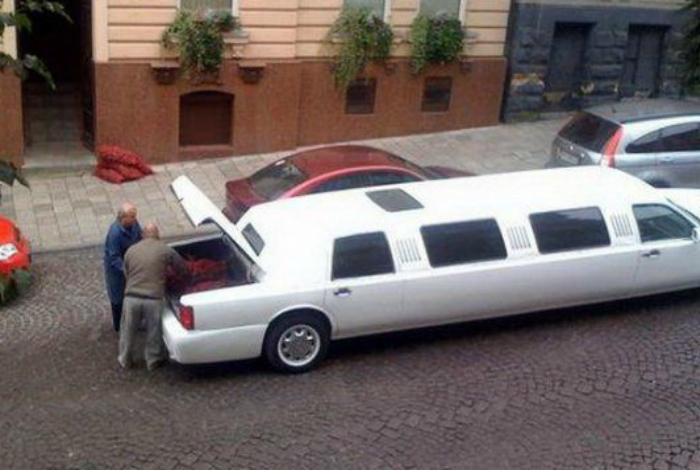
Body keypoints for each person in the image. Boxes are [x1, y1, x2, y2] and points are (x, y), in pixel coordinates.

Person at [118, 223, 188, 371]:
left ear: (143, 235)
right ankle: (152, 359)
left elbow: (126, 272)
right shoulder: (165, 249)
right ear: (158, 235)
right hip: (153, 298)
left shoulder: (131, 250)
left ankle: (125, 358)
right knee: (153, 330)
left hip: (132, 297)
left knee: (128, 330)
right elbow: (182, 268)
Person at [104, 203, 142, 332]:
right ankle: (119, 325)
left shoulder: (134, 224)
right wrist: (126, 270)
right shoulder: (115, 233)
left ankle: (134, 321)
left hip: (131, 264)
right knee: (118, 297)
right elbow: (114, 257)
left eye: (135, 216)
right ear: (123, 218)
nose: (135, 219)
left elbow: (140, 238)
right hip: (116, 271)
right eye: (132, 216)